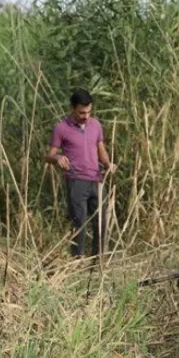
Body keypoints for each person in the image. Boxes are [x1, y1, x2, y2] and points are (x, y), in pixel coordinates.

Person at [45, 89, 115, 258]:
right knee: (79, 223)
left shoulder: (96, 125)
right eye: (82, 112)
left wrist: (107, 163)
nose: (86, 116)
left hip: (96, 180)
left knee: (101, 222)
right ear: (73, 108)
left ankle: (98, 261)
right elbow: (49, 155)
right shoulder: (61, 128)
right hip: (76, 180)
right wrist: (57, 158)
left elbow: (100, 148)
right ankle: (77, 260)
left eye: (89, 112)